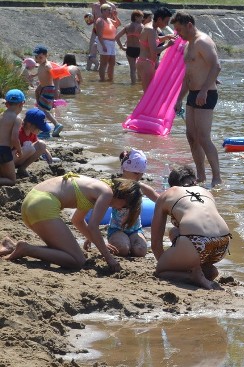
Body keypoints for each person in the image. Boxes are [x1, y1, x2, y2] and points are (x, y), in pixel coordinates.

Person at [0, 173, 141, 273]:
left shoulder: (98, 186)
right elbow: (93, 226)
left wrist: (98, 242)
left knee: (65, 252)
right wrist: (109, 258)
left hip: (31, 203)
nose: (121, 209)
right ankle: (26, 249)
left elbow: (77, 221)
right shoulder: (107, 193)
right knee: (77, 261)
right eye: (125, 206)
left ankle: (11, 247)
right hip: (42, 206)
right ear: (124, 196)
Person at [150, 165, 231, 289]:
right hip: (223, 243)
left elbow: (156, 242)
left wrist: (166, 264)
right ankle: (205, 270)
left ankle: (192, 277)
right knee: (175, 232)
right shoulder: (206, 191)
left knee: (161, 272)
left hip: (196, 241)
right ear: (194, 180)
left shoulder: (167, 194)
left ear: (172, 185)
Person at [173, 12, 222, 187]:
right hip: (193, 93)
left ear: (189, 25)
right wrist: (179, 98)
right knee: (191, 136)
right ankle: (201, 175)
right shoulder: (188, 45)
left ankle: (217, 177)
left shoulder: (202, 41)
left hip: (206, 93)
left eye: (179, 29)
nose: (178, 34)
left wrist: (203, 91)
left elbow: (216, 66)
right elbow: (189, 76)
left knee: (203, 137)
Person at [105, 149, 159, 257]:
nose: (138, 177)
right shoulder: (115, 187)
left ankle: (130, 240)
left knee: (140, 251)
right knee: (123, 249)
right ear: (124, 169)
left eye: (141, 174)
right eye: (135, 173)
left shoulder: (140, 187)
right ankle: (115, 240)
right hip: (117, 228)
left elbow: (160, 200)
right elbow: (100, 208)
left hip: (135, 229)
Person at [138, 7, 175, 91]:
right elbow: (154, 50)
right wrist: (167, 45)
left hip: (146, 62)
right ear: (159, 19)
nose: (167, 24)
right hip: (146, 63)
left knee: (151, 92)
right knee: (148, 93)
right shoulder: (150, 30)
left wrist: (166, 37)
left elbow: (154, 40)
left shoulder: (152, 28)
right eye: (166, 21)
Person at [32, 45, 63, 136]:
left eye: (40, 57)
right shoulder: (41, 65)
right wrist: (34, 76)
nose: (38, 59)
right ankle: (43, 127)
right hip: (43, 87)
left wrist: (57, 88)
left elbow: (56, 76)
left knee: (42, 109)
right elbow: (41, 73)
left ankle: (56, 124)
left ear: (46, 56)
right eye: (36, 57)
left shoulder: (47, 65)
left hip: (49, 88)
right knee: (39, 103)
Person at [14, 108, 54, 176]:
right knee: (29, 148)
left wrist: (47, 154)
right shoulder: (18, 132)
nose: (40, 130)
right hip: (10, 161)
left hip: (20, 159)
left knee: (42, 145)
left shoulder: (32, 133)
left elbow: (38, 143)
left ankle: (22, 168)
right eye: (39, 128)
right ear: (29, 124)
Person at [87, 0, 118, 71]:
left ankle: (104, 68)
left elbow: (114, 21)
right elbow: (93, 18)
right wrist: (89, 21)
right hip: (96, 30)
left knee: (105, 51)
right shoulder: (95, 6)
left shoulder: (111, 6)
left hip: (106, 32)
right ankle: (88, 69)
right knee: (91, 49)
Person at [0, 89, 25, 187]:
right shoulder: (16, 118)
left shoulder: (1, 116)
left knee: (3, 175)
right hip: (4, 151)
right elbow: (14, 138)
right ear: (21, 104)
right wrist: (19, 150)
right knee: (11, 180)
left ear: (6, 104)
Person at [114, 10, 145, 85]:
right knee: (140, 68)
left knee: (132, 69)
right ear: (136, 17)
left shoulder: (127, 26)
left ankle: (133, 84)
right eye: (141, 17)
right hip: (139, 49)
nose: (142, 19)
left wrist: (121, 46)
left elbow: (117, 37)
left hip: (129, 49)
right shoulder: (142, 27)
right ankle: (140, 84)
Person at [95, 3, 122, 82]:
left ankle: (110, 79)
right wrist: (103, 45)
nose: (110, 12)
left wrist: (115, 16)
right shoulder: (100, 20)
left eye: (110, 10)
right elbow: (99, 34)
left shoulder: (109, 19)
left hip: (112, 42)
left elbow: (118, 24)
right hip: (104, 41)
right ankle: (102, 79)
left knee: (112, 62)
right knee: (104, 62)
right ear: (103, 11)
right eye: (108, 10)